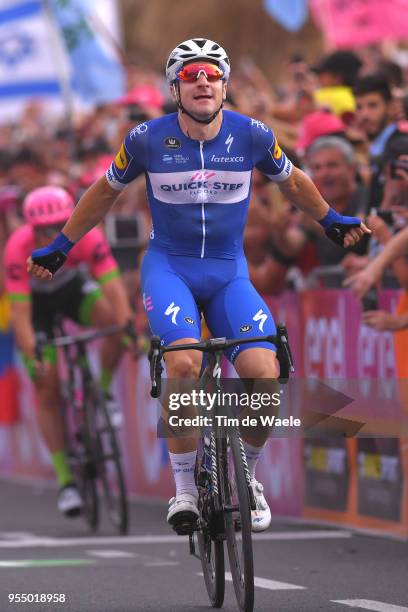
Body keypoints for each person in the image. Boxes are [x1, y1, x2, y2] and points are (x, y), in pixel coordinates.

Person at [27, 38, 370, 533]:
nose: (203, 80)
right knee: (185, 360)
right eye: (191, 74)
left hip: (229, 271)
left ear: (226, 85)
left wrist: (331, 219)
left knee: (263, 371)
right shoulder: (146, 139)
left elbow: (293, 182)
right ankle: (185, 488)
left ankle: (247, 476)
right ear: (175, 88)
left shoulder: (252, 135)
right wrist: (62, 244)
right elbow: (104, 192)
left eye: (212, 72)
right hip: (170, 267)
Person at [5, 186, 132, 516]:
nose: (50, 234)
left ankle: (101, 392)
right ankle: (66, 482)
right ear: (29, 227)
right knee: (45, 386)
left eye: (58, 226)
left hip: (71, 290)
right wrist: (33, 354)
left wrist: (128, 327)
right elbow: (21, 316)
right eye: (42, 230)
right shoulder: (17, 247)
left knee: (116, 323)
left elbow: (115, 289)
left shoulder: (86, 236)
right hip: (37, 307)